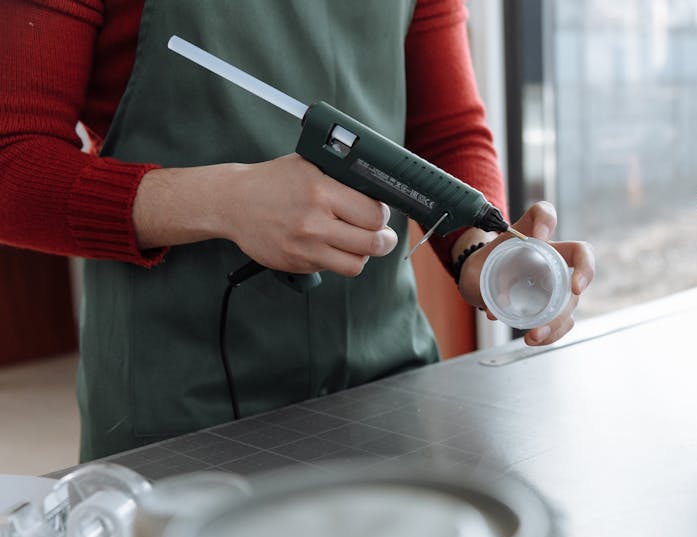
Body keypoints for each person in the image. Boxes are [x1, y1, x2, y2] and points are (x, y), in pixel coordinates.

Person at [0, 0, 595, 461]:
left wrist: (483, 251)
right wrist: (224, 202)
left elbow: (447, 134)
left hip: (384, 380)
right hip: (176, 401)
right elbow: (11, 160)